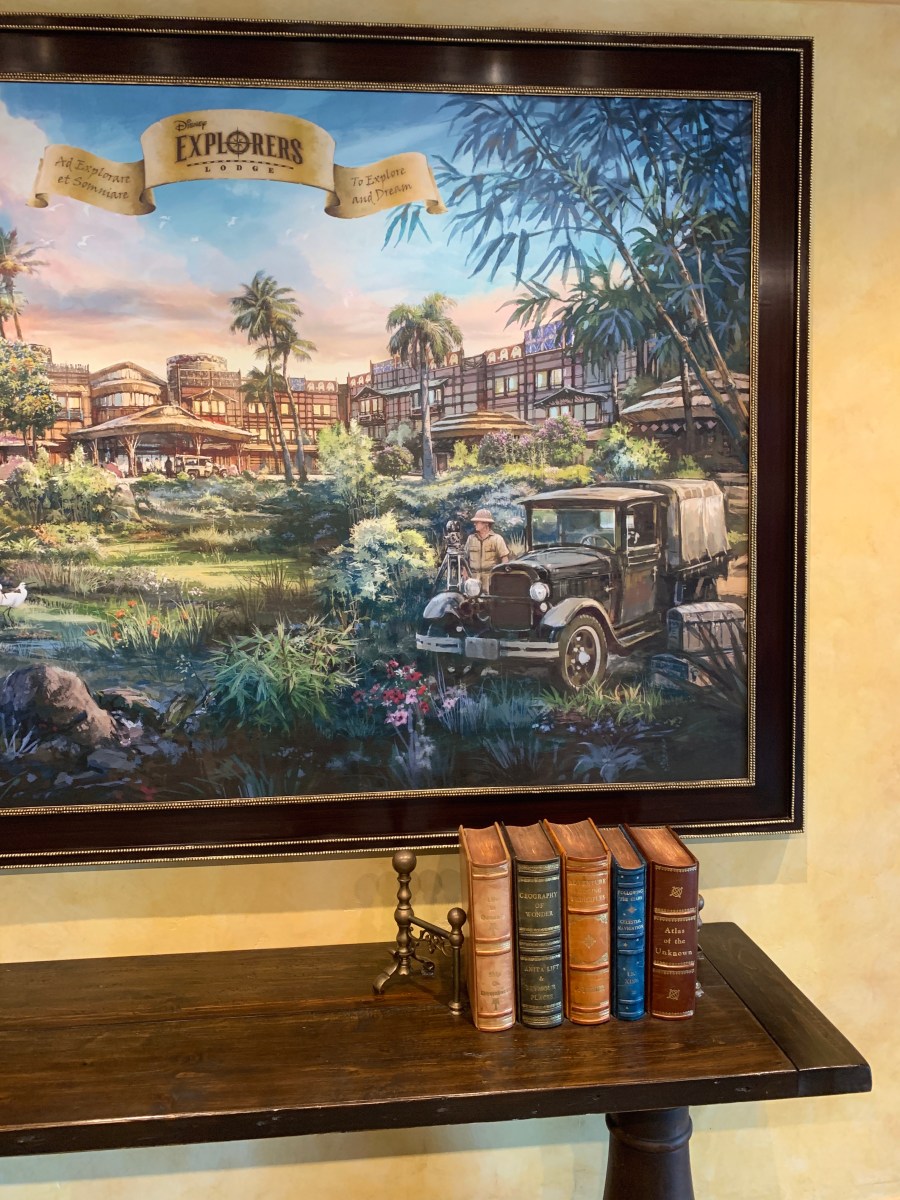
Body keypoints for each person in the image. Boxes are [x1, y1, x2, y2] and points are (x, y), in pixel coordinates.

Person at [464, 508, 509, 593]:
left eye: (477, 522)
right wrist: (465, 572)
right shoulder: (471, 539)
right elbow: (465, 558)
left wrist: (501, 577)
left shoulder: (497, 539)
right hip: (473, 580)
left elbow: (505, 559)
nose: (474, 524)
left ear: (486, 524)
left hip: (491, 580)